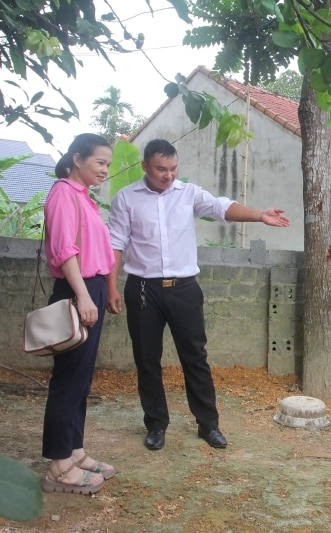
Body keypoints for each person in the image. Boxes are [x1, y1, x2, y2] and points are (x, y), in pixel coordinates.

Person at [107, 138, 290, 451]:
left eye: (174, 168)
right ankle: (156, 425)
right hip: (141, 289)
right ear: (145, 167)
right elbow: (116, 243)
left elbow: (222, 207)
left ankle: (208, 424)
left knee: (195, 358)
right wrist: (111, 286)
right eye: (161, 169)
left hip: (184, 288)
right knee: (147, 360)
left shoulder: (188, 194)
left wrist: (259, 215)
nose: (169, 175)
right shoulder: (126, 198)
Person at [40, 133, 117, 495]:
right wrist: (83, 295)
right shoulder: (63, 194)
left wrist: (98, 291)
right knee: (68, 379)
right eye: (99, 162)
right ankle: (58, 466)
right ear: (77, 158)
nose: (105, 169)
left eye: (108, 164)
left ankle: (74, 450)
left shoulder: (84, 197)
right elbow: (64, 251)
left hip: (92, 288)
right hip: (77, 289)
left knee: (81, 378)